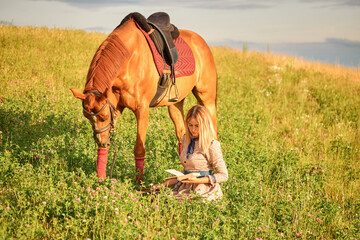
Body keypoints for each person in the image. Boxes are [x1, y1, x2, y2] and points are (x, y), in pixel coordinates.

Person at [155, 105, 228, 201]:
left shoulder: (211, 144)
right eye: (190, 125)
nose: (193, 130)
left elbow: (223, 175)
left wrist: (197, 180)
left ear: (205, 125)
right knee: (159, 199)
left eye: (197, 126)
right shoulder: (186, 139)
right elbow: (187, 172)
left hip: (204, 189)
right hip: (184, 188)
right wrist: (163, 185)